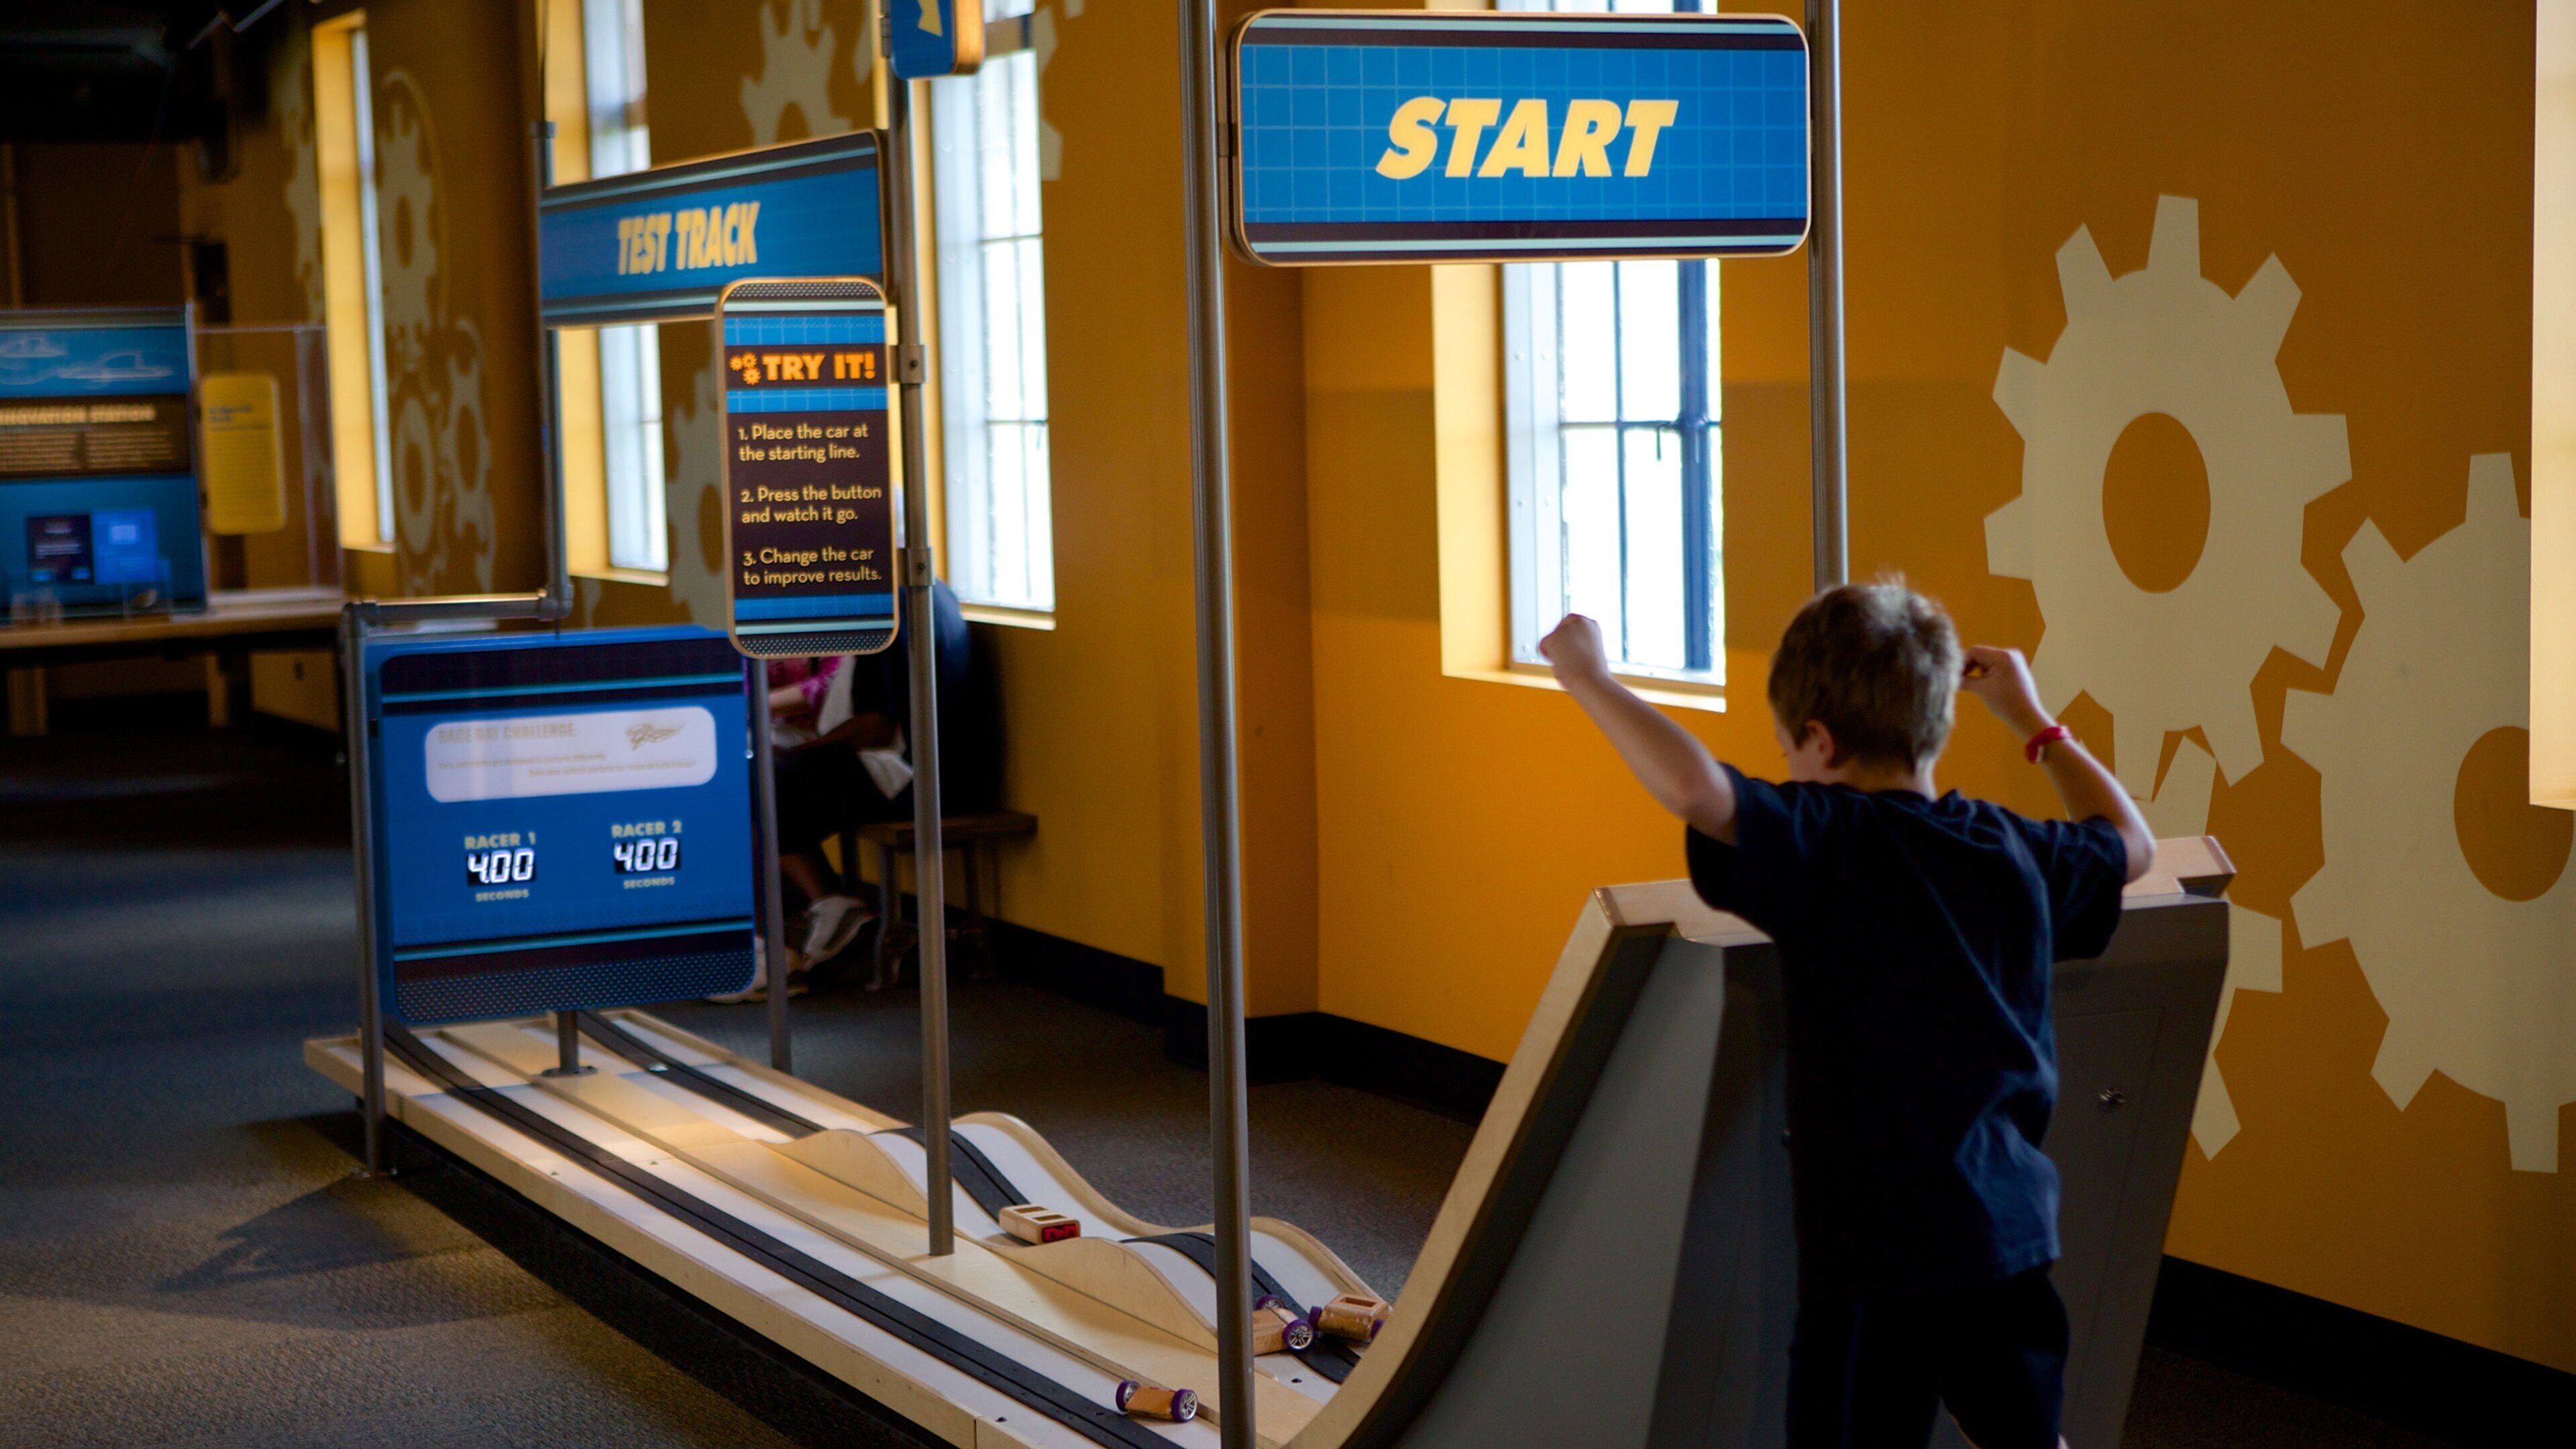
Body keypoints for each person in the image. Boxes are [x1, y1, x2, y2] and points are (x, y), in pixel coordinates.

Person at [1540, 580, 2153, 1449]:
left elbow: (1692, 787)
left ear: (1820, 743)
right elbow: (2131, 843)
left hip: (1878, 1251)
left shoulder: (1831, 839)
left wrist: (1589, 676)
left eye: (1790, 750)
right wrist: (2031, 718)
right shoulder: (2011, 846)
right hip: (2004, 1234)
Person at [765, 578, 972, 981]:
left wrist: (803, 752)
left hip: (909, 776)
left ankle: (819, 910)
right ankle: (831, 907)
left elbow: (878, 727)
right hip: (936, 765)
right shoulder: (926, 590)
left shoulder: (889, 614)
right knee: (772, 771)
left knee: (761, 780)